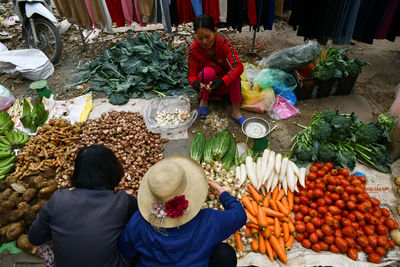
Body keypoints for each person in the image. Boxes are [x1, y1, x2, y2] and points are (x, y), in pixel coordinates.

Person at [118, 155, 246, 267]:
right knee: (225, 254)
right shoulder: (209, 221)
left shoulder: (139, 221)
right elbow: (240, 215)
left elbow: (126, 251)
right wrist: (222, 193)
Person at [28, 144, 138, 267]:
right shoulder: (123, 200)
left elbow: (34, 238)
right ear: (114, 171)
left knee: (44, 241)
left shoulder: (58, 198)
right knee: (133, 224)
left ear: (78, 172)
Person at [187, 14, 246, 126]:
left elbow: (238, 66)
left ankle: (236, 112)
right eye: (200, 38)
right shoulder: (193, 50)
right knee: (208, 72)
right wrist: (194, 83)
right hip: (207, 87)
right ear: (195, 36)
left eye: (207, 37)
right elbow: (192, 74)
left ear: (215, 32)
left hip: (224, 84)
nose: (204, 41)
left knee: (235, 75)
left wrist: (223, 81)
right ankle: (204, 102)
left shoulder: (224, 44)